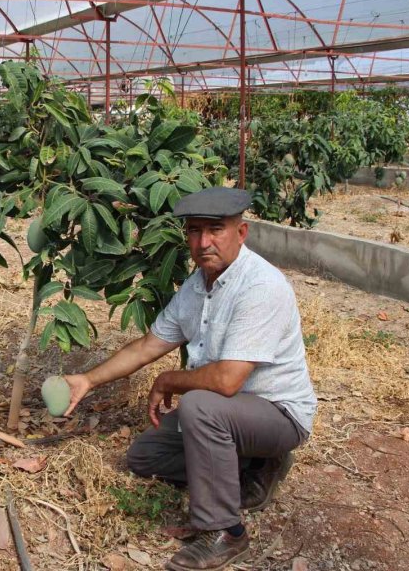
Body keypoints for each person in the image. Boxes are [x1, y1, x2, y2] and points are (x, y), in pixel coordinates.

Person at [63, 187, 317, 571]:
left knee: (199, 404)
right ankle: (256, 467)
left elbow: (228, 380)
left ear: (241, 232)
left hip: (278, 414)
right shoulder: (197, 287)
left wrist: (169, 380)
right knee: (145, 455)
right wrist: (87, 380)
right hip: (228, 415)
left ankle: (225, 532)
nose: (203, 242)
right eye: (195, 231)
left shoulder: (260, 286)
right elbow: (148, 345)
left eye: (215, 230)